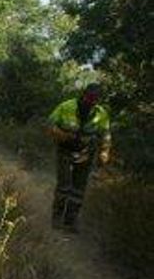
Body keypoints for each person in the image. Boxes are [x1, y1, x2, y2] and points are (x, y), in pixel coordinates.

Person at [48, 83, 111, 233]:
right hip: (65, 150)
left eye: (95, 98)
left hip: (86, 153)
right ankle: (57, 217)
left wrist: (105, 151)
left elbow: (106, 134)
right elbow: (50, 124)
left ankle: (70, 220)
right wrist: (62, 135)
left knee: (78, 189)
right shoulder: (66, 106)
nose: (92, 101)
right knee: (64, 186)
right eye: (90, 97)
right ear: (83, 94)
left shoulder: (101, 113)